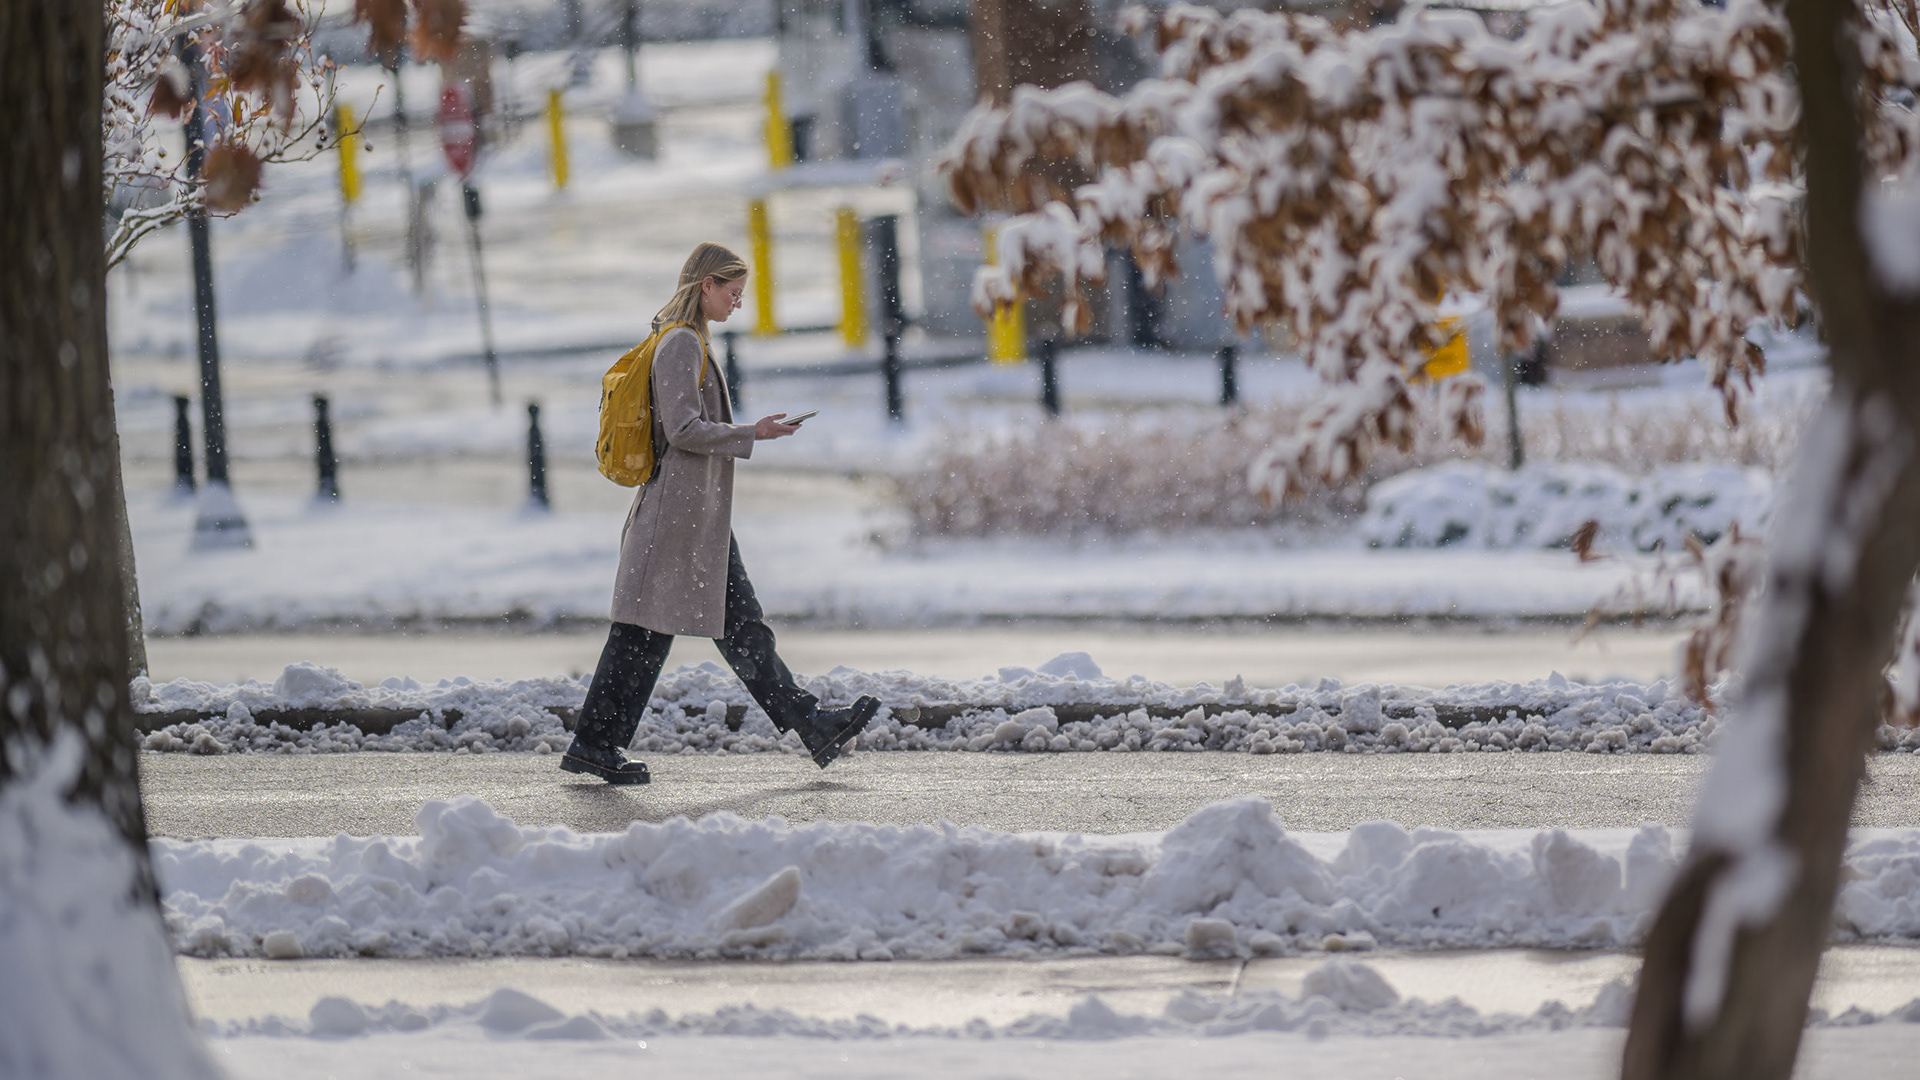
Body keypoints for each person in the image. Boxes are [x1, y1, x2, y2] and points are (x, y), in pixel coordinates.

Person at [562, 243, 880, 785]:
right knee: (649, 633)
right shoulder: (682, 342)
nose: (737, 304)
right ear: (705, 285)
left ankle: (809, 724)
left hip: (692, 518)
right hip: (677, 518)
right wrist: (750, 432)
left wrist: (749, 432)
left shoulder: (686, 338)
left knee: (729, 626)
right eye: (732, 293)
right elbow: (682, 429)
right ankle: (595, 743)